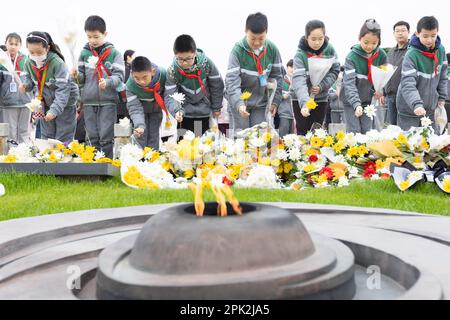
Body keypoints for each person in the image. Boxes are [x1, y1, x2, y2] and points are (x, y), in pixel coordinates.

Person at [72, 15, 125, 157]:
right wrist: (76, 76)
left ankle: (106, 165)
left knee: (106, 135)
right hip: (89, 101)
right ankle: (93, 165)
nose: (92, 40)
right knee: (92, 136)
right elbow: (81, 80)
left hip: (108, 101)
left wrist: (108, 82)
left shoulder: (114, 53)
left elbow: (119, 77)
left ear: (105, 34)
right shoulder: (84, 53)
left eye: (96, 37)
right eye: (89, 37)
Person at [225, 12, 283, 132]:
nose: (257, 43)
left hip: (260, 103)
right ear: (246, 31)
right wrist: (239, 103)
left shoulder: (272, 49)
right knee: (241, 137)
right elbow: (232, 81)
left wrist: (275, 102)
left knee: (259, 136)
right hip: (240, 102)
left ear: (266, 32)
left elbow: (277, 76)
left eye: (261, 38)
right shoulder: (237, 51)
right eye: (252, 39)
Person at [20, 31, 78, 143]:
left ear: (47, 48)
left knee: (63, 137)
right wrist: (26, 86)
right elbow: (27, 78)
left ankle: (63, 159)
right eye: (32, 52)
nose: (35, 55)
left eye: (39, 52)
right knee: (46, 137)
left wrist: (54, 110)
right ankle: (48, 159)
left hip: (65, 104)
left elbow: (63, 91)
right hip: (45, 103)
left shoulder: (57, 63)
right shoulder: (28, 62)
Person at [164, 34, 224, 136]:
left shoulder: (206, 64)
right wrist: (176, 110)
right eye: (180, 59)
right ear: (175, 55)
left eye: (188, 58)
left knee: (203, 145)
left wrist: (217, 107)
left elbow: (217, 85)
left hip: (203, 111)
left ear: (195, 53)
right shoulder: (173, 70)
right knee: (185, 146)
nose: (184, 63)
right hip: (184, 114)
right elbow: (170, 95)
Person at [397, 16, 447, 131]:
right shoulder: (411, 55)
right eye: (425, 36)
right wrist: (416, 104)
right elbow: (408, 83)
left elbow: (443, 77)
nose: (429, 40)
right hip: (409, 109)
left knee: (432, 143)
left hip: (430, 108)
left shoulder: (441, 50)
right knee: (408, 144)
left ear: (437, 32)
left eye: (433, 35)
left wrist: (441, 97)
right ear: (417, 33)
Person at [292, 20, 340, 135]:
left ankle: (315, 153)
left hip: (321, 97)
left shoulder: (330, 50)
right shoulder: (300, 54)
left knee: (316, 132)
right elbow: (299, 80)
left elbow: (335, 71)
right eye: (313, 39)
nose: (317, 42)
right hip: (300, 98)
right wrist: (304, 103)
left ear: (325, 36)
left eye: (320, 38)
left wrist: (322, 86)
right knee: (302, 131)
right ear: (306, 37)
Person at [341, 19, 387, 134]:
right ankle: (354, 151)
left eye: (374, 43)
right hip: (350, 100)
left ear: (379, 42)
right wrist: (356, 104)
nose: (369, 46)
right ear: (359, 38)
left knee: (368, 130)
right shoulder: (351, 57)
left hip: (367, 100)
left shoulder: (381, 56)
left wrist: (381, 91)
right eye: (366, 42)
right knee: (354, 131)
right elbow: (349, 84)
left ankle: (367, 152)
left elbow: (385, 77)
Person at [126, 56, 166, 150]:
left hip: (156, 110)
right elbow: (135, 108)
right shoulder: (130, 86)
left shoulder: (163, 75)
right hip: (140, 112)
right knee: (140, 135)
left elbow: (168, 95)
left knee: (154, 135)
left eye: (145, 77)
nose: (141, 82)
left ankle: (152, 159)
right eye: (137, 78)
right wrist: (139, 125)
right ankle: (139, 161)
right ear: (132, 74)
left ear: (152, 72)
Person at [0, 33, 32, 146]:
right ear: (6, 44)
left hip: (25, 102)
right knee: (10, 132)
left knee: (24, 131)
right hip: (8, 102)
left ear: (20, 45)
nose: (13, 46)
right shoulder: (1, 60)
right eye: (10, 43)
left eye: (16, 44)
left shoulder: (26, 59)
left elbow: (31, 79)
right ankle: (11, 157)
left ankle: (24, 156)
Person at [385, 21, 410, 125]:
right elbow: (386, 72)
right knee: (393, 126)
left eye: (403, 30)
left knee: (405, 125)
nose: (400, 33)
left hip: (405, 96)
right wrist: (382, 91)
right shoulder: (390, 52)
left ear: (408, 32)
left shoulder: (411, 50)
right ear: (394, 33)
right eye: (397, 31)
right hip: (390, 95)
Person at [277, 60, 294, 137]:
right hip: (284, 113)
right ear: (287, 67)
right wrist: (283, 96)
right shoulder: (282, 80)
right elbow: (275, 94)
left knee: (292, 138)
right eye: (291, 67)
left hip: (294, 115)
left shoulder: (298, 81)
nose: (292, 69)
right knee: (283, 137)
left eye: (294, 67)